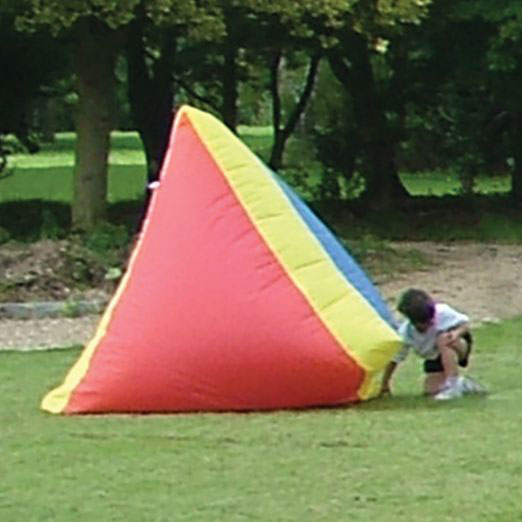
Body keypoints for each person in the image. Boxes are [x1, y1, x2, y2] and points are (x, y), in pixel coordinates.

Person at [380, 288, 483, 400]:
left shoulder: (443, 312)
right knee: (432, 390)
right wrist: (385, 383)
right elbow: (395, 359)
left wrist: (456, 333)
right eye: (427, 323)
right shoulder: (406, 334)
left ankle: (452, 384)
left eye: (432, 319)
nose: (431, 323)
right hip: (434, 355)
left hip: (456, 345)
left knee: (443, 339)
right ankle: (463, 384)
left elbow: (465, 324)